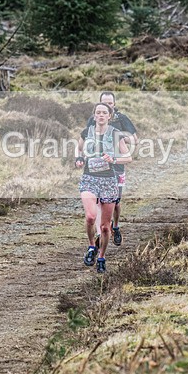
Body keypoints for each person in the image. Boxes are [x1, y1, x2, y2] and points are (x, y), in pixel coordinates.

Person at [75, 103, 132, 273]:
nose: (101, 115)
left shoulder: (115, 134)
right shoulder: (87, 132)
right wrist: (78, 159)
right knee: (91, 217)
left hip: (109, 181)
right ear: (94, 116)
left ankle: (101, 257)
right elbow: (78, 148)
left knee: (105, 227)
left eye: (104, 113)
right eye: (98, 112)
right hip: (89, 179)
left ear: (109, 116)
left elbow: (128, 157)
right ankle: (92, 246)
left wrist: (113, 159)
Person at [100, 91, 138, 247]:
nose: (108, 106)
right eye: (104, 103)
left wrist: (119, 137)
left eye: (110, 103)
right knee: (100, 200)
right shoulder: (95, 118)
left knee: (115, 201)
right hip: (99, 167)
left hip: (117, 165)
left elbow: (134, 139)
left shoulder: (121, 118)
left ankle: (115, 226)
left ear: (114, 104)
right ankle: (101, 230)